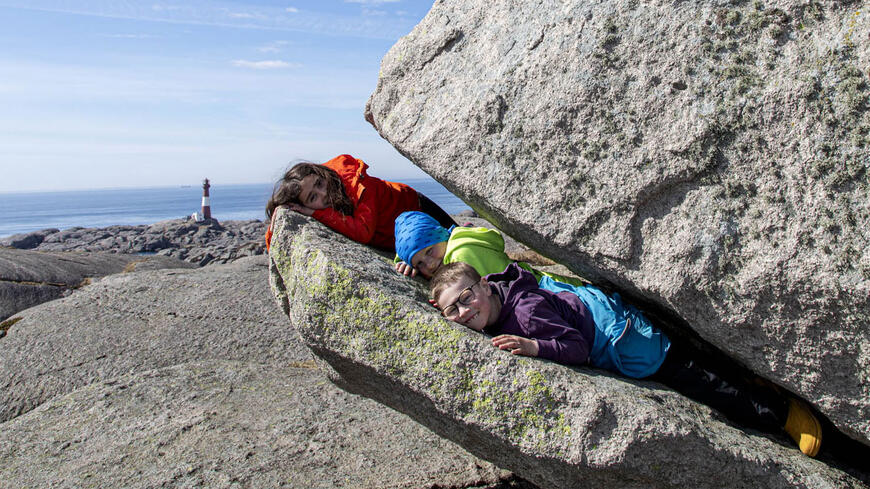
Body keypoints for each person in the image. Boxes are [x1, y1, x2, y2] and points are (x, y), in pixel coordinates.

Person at [429, 261, 824, 457]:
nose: (463, 312)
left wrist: (534, 348)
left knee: (707, 385)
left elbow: (577, 349)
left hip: (626, 342)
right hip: (609, 319)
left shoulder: (527, 313)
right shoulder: (496, 295)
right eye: (451, 310)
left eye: (466, 298)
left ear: (484, 285)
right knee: (701, 365)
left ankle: (784, 414)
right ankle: (756, 382)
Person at [265, 155, 456, 252]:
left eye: (319, 183)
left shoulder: (357, 183)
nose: (324, 193)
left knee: (459, 239)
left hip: (417, 209)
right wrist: (280, 215)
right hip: (394, 238)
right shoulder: (323, 202)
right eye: (312, 197)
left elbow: (363, 232)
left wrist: (312, 212)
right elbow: (273, 239)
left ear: (321, 173)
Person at [393, 211, 584, 287]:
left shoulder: (462, 255)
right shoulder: (454, 241)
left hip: (552, 290)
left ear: (442, 236)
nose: (430, 264)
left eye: (429, 252)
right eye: (420, 263)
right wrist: (402, 261)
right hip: (545, 283)